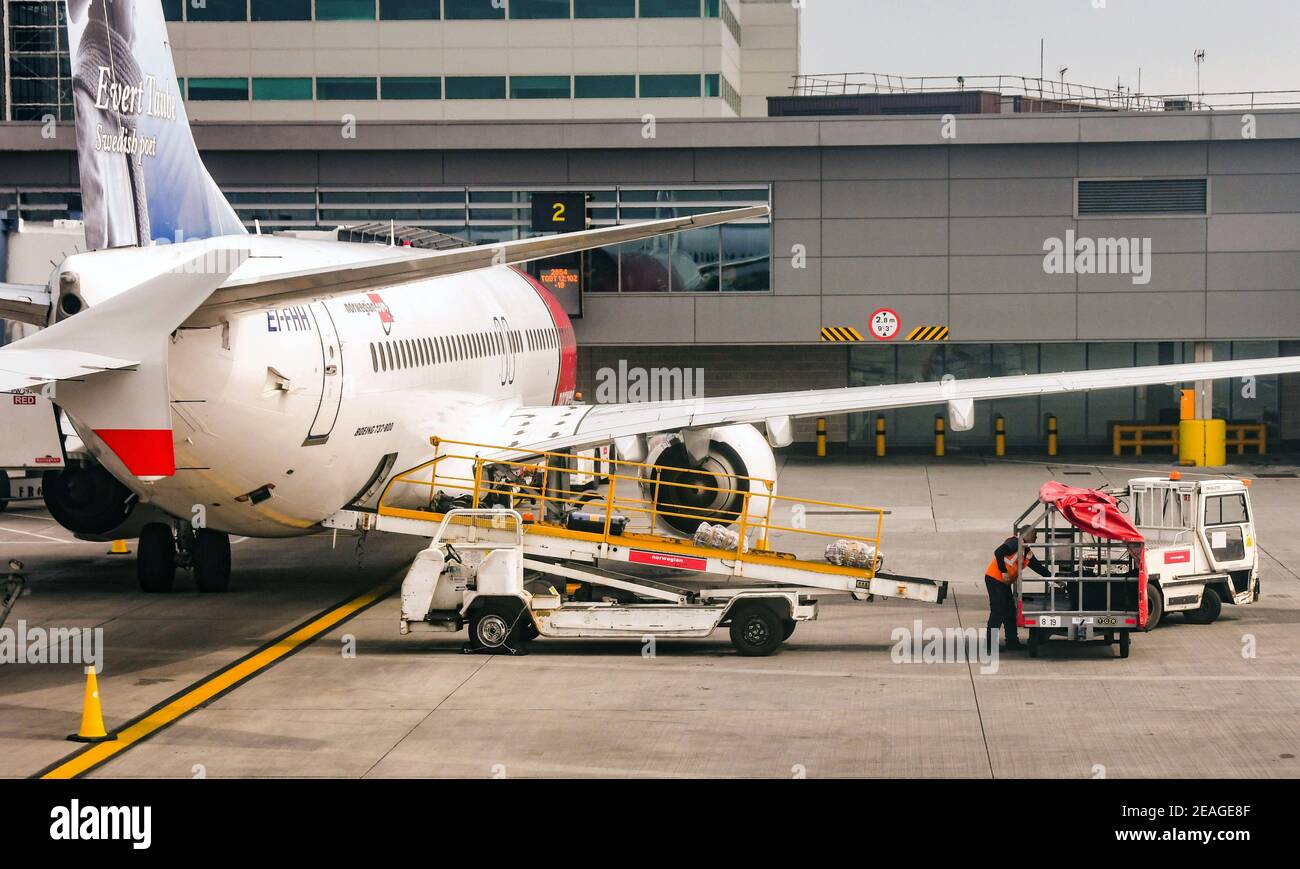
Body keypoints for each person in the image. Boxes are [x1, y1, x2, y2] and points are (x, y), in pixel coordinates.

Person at [985, 525, 1050, 650]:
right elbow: (998, 552)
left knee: (1009, 610)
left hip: (1003, 583)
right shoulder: (1015, 542)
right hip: (995, 579)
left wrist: (1055, 579)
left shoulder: (1026, 552)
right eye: (1034, 534)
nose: (1036, 537)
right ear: (1028, 534)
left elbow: (1039, 568)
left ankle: (1012, 641)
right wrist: (1003, 571)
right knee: (998, 611)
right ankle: (990, 644)